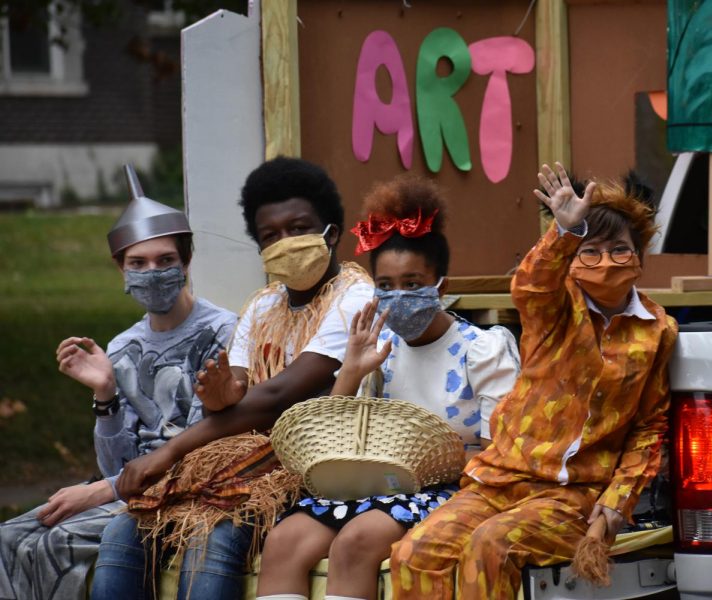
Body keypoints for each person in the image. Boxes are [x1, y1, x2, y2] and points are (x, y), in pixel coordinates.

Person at [390, 162, 679, 599]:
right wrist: (565, 233)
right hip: (500, 482)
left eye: (619, 250)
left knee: (491, 547)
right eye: (590, 252)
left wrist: (618, 501)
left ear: (638, 256)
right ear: (573, 262)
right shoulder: (555, 309)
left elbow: (649, 427)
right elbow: (531, 284)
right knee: (414, 554)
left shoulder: (657, 331)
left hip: (574, 497)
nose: (605, 262)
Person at [91, 157, 373, 600]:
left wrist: (169, 452)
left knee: (214, 535)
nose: (285, 242)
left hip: (306, 467)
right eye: (270, 236)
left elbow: (275, 396)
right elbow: (238, 395)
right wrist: (222, 396)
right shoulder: (262, 306)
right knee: (125, 530)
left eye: (298, 228)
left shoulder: (355, 297)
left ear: (331, 234)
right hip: (240, 460)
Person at [254, 175, 521, 600]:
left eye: (413, 285)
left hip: (455, 490)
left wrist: (436, 464)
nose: (398, 296)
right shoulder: (379, 350)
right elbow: (332, 441)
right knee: (283, 541)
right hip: (375, 486)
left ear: (442, 287)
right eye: (386, 286)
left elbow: (501, 453)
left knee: (356, 542)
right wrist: (352, 373)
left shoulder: (483, 351)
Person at [0, 165, 237, 600]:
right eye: (138, 263)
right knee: (12, 539)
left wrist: (95, 493)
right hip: (128, 490)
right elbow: (116, 465)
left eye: (166, 260)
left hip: (191, 491)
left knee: (56, 540)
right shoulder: (123, 347)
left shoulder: (224, 332)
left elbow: (206, 451)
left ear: (186, 261)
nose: (153, 272)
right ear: (120, 269)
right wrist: (105, 394)